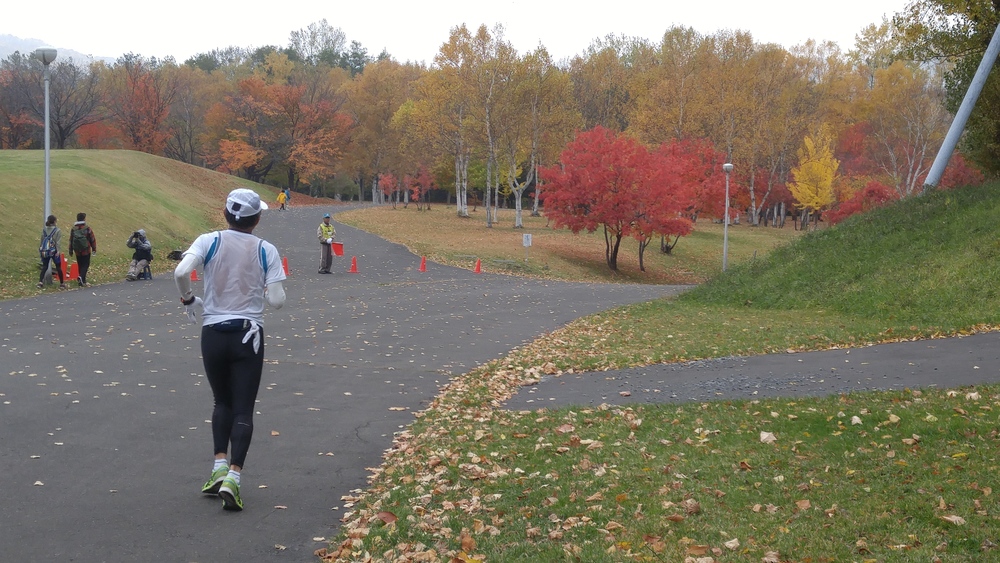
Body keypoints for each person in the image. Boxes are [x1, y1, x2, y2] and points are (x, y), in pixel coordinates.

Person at [173, 188, 286, 511]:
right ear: (258, 219)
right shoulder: (266, 250)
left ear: (225, 214)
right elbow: (277, 302)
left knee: (220, 400)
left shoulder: (209, 241)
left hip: (212, 331)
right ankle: (234, 478)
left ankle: (218, 466)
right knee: (243, 408)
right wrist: (261, 290)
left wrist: (188, 298)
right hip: (247, 333)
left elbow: (182, 272)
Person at [37, 215, 67, 290]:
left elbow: (42, 240)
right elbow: (58, 242)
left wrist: (41, 249)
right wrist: (58, 251)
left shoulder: (44, 230)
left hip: (45, 251)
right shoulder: (57, 230)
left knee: (44, 266)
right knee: (58, 267)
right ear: (54, 221)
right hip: (54, 251)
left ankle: (40, 282)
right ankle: (62, 283)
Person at [68, 212, 98, 287]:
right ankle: (81, 277)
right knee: (85, 264)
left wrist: (70, 250)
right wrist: (94, 248)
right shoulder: (87, 228)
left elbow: (71, 240)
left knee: (80, 264)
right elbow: (92, 239)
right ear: (84, 219)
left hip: (77, 250)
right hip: (86, 249)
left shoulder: (73, 229)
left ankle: (82, 280)